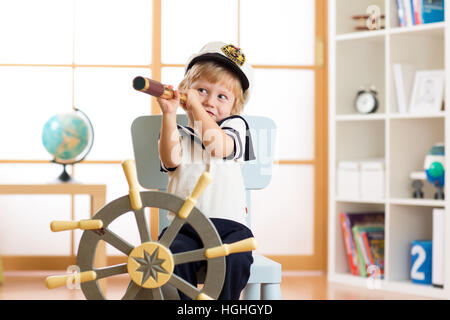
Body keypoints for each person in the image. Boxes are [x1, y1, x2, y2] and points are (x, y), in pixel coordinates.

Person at [156, 41, 256, 300]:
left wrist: (196, 106)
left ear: (234, 106)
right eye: (202, 90)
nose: (210, 101)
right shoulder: (177, 133)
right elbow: (169, 160)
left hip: (229, 228)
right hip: (184, 226)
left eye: (221, 96)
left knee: (235, 260)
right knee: (173, 256)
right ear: (185, 93)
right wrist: (169, 114)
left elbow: (217, 146)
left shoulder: (236, 128)